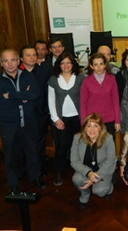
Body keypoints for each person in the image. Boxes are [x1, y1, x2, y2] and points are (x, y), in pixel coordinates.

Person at [0, 49, 46, 193]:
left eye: (13, 60)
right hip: (9, 124)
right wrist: (22, 97)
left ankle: (35, 178)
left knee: (32, 152)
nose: (10, 64)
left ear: (18, 61)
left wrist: (11, 96)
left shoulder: (28, 76)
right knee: (10, 156)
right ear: (1, 63)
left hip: (29, 122)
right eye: (6, 61)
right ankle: (13, 184)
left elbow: (34, 94)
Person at [48, 52, 84, 186]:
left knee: (80, 145)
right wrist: (56, 119)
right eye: (63, 63)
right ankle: (58, 173)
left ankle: (80, 170)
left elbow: (85, 98)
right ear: (59, 65)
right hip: (62, 119)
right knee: (62, 146)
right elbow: (51, 100)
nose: (66, 65)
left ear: (73, 64)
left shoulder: (80, 78)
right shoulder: (53, 79)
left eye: (68, 62)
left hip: (78, 118)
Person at [70, 113, 116, 209]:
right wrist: (89, 173)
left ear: (100, 128)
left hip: (103, 170)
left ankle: (109, 187)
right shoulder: (77, 138)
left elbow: (110, 160)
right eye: (89, 126)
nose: (92, 129)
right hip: (87, 169)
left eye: (96, 126)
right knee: (77, 179)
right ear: (85, 128)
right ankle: (84, 195)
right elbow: (74, 160)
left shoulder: (108, 139)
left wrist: (94, 178)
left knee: (100, 191)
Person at [19, 45, 50, 177]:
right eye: (28, 55)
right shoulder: (16, 73)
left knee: (40, 143)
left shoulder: (44, 71)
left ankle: (38, 168)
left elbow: (48, 92)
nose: (32, 57)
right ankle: (25, 169)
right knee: (24, 143)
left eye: (34, 55)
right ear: (21, 58)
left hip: (40, 114)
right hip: (22, 115)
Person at [80, 53, 121, 138]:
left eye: (101, 64)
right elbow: (83, 103)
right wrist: (84, 122)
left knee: (109, 146)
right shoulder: (86, 81)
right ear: (91, 66)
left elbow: (115, 101)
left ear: (105, 65)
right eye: (96, 64)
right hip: (92, 120)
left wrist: (117, 121)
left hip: (109, 119)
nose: (99, 67)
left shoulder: (112, 79)